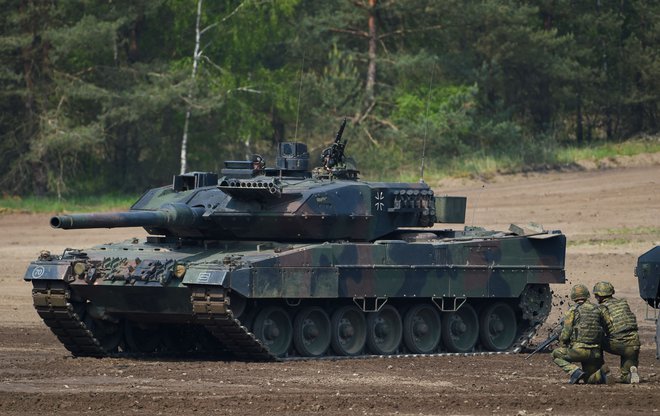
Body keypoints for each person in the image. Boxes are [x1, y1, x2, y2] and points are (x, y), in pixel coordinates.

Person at [552, 284, 608, 384]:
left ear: (573, 297)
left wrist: (563, 343)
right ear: (587, 295)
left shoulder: (573, 310)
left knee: (556, 354)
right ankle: (601, 373)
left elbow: (566, 333)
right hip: (595, 353)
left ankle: (575, 371)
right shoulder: (598, 309)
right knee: (589, 379)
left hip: (580, 351)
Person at [593, 281, 641, 384]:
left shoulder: (601, 309)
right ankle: (630, 375)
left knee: (595, 340)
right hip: (634, 344)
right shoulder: (623, 303)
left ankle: (600, 370)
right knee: (625, 377)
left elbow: (595, 328)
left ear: (599, 296)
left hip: (618, 344)